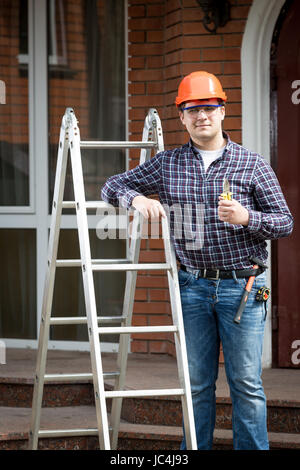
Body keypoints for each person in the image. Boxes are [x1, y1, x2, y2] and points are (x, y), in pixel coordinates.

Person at [101, 71, 293, 450]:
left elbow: (285, 222)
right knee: (196, 385)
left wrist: (247, 218)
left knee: (247, 385)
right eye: (192, 109)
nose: (201, 116)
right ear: (182, 117)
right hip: (192, 287)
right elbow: (112, 185)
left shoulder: (251, 164)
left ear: (223, 111)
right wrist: (137, 199)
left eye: (208, 107)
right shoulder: (168, 164)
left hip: (244, 288)